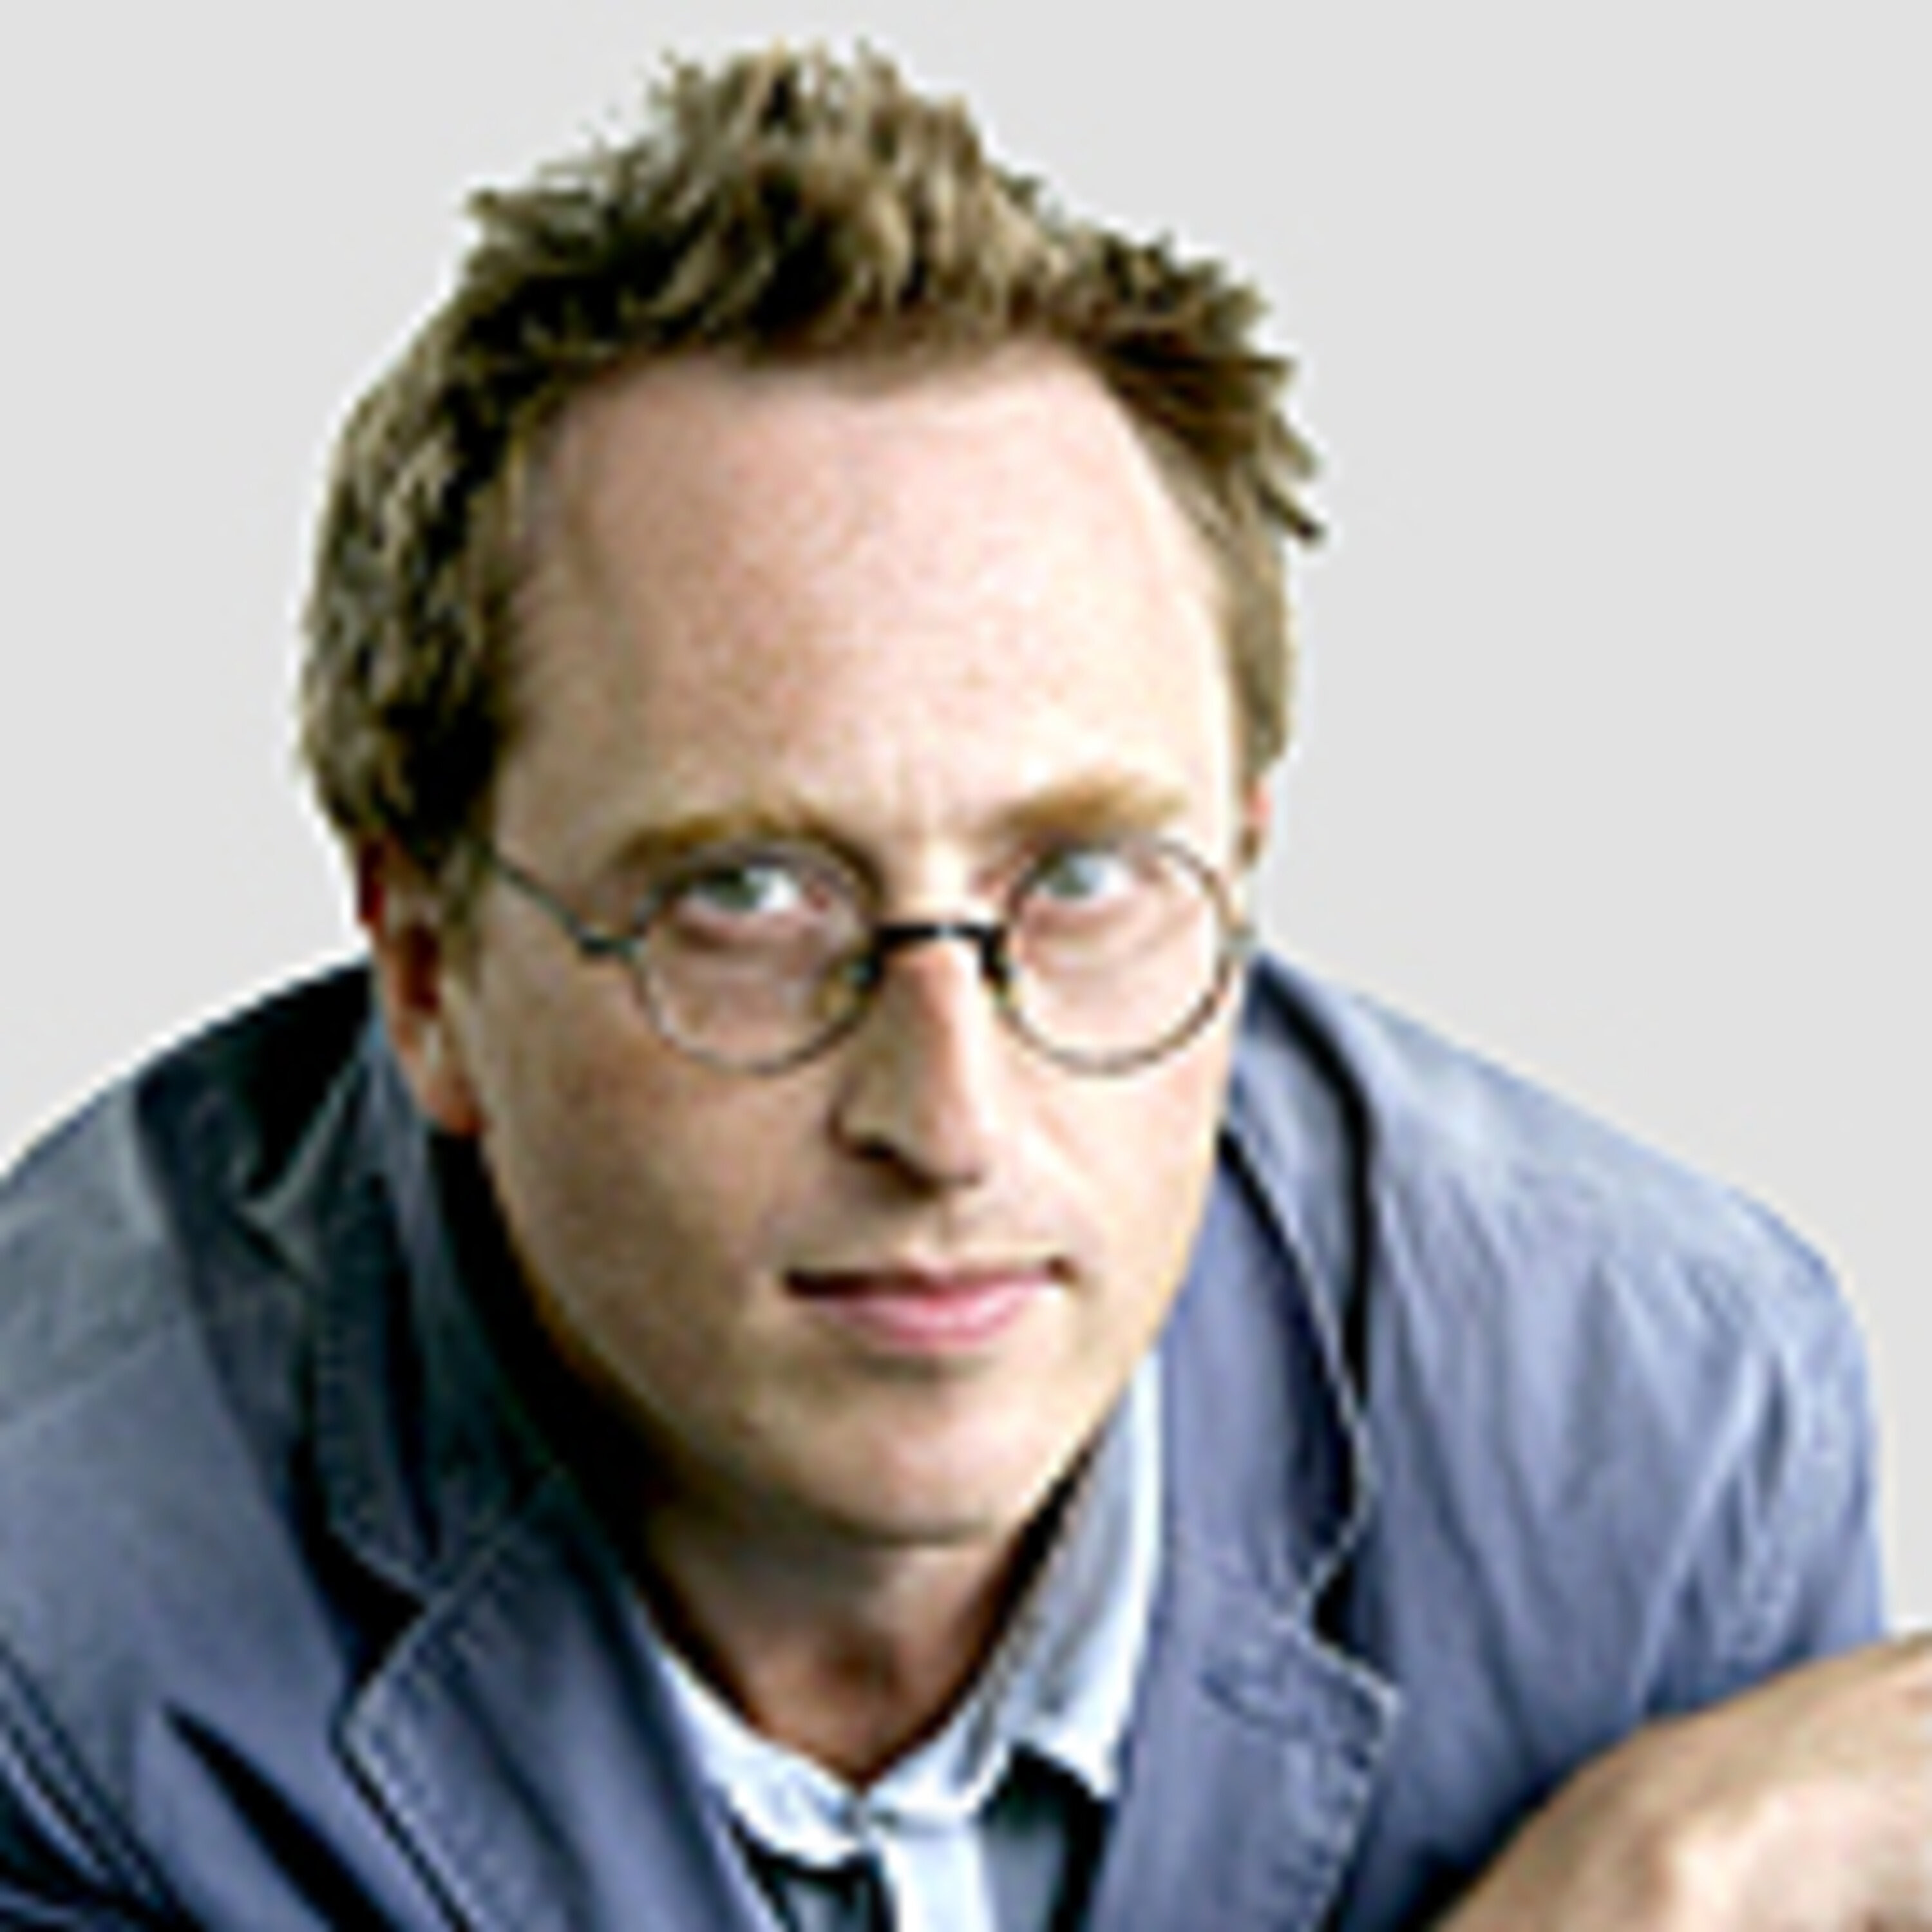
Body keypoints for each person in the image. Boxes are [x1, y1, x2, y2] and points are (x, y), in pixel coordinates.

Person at [0, 43, 1926, 1931]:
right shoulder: (48, 1594)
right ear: (428, 973)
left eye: (1082, 879)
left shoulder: (1663, 1446)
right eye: (748, 897)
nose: (952, 1122)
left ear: (1241, 866)